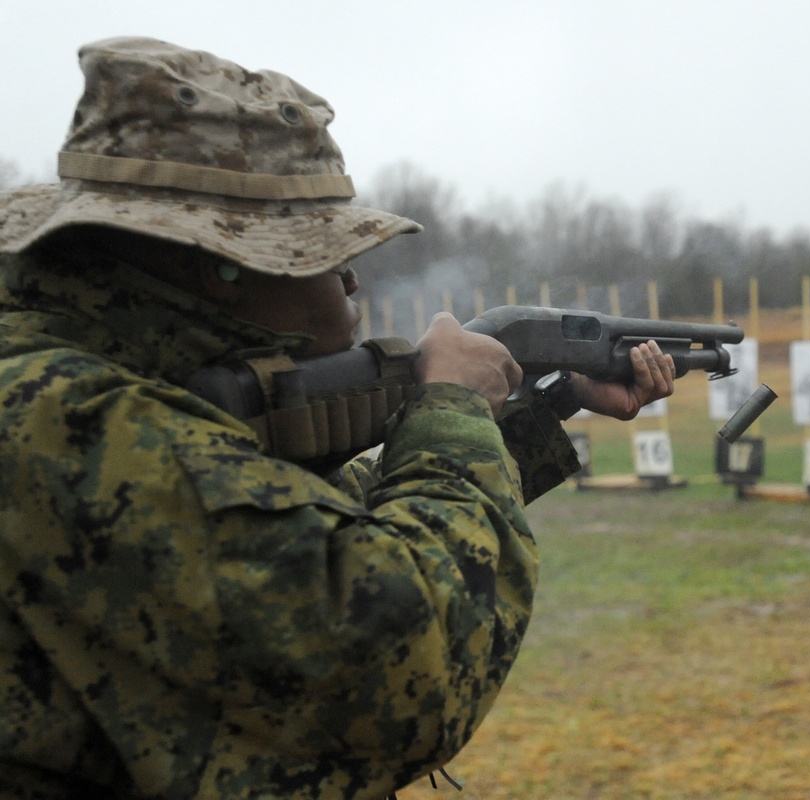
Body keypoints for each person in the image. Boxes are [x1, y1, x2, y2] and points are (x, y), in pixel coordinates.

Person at [0, 38, 675, 799]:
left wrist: (537, 408)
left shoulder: (94, 383)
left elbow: (294, 530)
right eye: (320, 253)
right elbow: (407, 656)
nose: (350, 278)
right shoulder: (68, 419)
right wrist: (449, 408)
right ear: (223, 264)